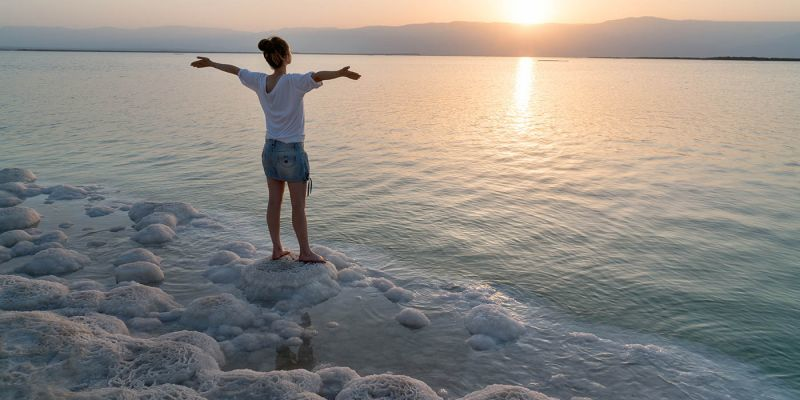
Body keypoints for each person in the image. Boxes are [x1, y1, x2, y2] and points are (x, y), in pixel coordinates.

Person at [190, 36, 360, 263]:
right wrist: (339, 73)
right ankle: (305, 252)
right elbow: (318, 75)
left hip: (269, 150)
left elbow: (235, 70)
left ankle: (276, 249)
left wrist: (211, 63)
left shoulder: (259, 81)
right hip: (291, 151)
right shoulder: (293, 82)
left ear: (269, 59)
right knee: (298, 206)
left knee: (274, 202)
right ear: (286, 56)